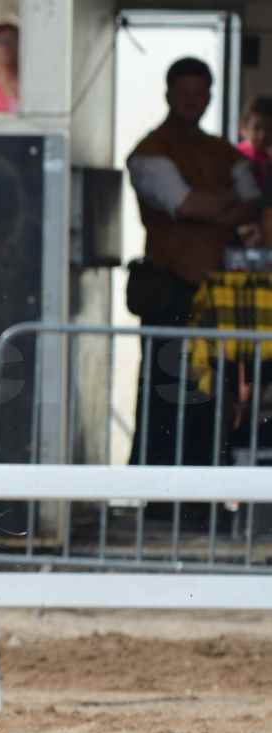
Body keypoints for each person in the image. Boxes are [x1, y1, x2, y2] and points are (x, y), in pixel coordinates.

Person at [125, 57, 262, 470]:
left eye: (199, 93)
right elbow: (184, 203)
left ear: (209, 96)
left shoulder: (221, 150)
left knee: (215, 394)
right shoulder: (148, 152)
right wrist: (224, 206)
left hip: (219, 296)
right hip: (170, 291)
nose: (191, 101)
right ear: (168, 94)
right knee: (165, 392)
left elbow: (253, 203)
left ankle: (205, 502)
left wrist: (209, 206)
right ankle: (158, 500)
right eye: (184, 93)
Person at [236, 96, 272, 201]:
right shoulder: (239, 157)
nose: (263, 135)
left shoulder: (266, 158)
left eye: (269, 128)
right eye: (257, 128)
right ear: (243, 128)